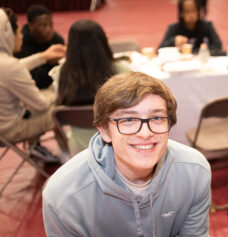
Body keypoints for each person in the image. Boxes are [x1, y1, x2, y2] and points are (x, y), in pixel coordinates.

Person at [43, 71, 212, 237]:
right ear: (104, 130)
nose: (145, 133)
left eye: (157, 117)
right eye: (128, 120)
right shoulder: (65, 196)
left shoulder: (194, 171)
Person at [54, 19, 130, 155]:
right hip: (115, 147)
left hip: (79, 150)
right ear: (102, 41)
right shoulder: (120, 71)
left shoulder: (61, 72)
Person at [0, 7, 66, 161]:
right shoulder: (10, 66)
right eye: (17, 33)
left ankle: (37, 147)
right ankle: (69, 158)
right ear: (6, 35)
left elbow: (16, 67)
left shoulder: (6, 64)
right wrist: (55, 92)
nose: (20, 37)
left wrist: (43, 56)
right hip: (11, 130)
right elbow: (41, 105)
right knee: (63, 111)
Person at [13, 4, 64, 89]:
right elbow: (30, 80)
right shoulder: (20, 44)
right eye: (42, 25)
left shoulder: (56, 40)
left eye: (51, 24)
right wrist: (49, 62)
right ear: (30, 26)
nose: (48, 29)